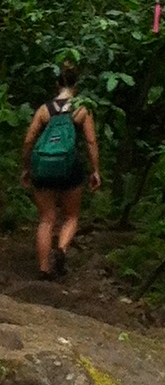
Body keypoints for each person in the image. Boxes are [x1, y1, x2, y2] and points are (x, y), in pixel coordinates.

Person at [20, 61, 101, 280]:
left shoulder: (44, 110)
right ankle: (61, 250)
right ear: (77, 85)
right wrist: (95, 170)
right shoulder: (82, 109)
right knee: (71, 216)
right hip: (70, 168)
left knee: (46, 219)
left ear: (57, 85)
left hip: (43, 168)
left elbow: (29, 140)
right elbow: (91, 142)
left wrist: (27, 167)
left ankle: (44, 269)